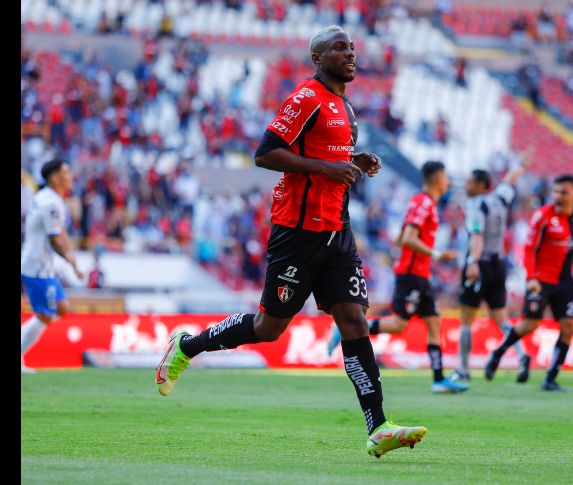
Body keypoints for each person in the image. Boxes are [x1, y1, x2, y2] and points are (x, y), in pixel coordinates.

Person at [154, 26, 427, 459]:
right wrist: (326, 168)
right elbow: (266, 152)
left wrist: (355, 160)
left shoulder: (346, 107)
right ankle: (187, 346)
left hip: (338, 231)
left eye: (352, 47)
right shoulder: (305, 97)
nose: (350, 53)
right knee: (270, 328)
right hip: (298, 233)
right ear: (318, 58)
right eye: (339, 48)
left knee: (354, 321)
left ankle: (378, 427)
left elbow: (329, 161)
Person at [328, 161, 468, 393]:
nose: (448, 182)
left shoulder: (424, 203)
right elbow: (408, 238)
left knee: (434, 322)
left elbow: (400, 236)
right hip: (411, 275)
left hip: (421, 275)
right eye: (446, 177)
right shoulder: (423, 202)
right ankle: (348, 327)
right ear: (437, 178)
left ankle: (439, 379)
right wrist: (437, 253)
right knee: (397, 325)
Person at [484, 175, 573, 391]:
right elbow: (529, 250)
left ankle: (550, 378)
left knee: (569, 326)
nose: (558, 196)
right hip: (541, 279)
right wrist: (532, 278)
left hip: (565, 282)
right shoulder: (543, 217)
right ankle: (498, 353)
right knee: (530, 324)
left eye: (563, 192)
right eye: (555, 192)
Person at [450, 157, 532, 384]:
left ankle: (463, 369)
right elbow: (511, 179)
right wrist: (523, 164)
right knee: (501, 318)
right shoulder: (500, 198)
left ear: (480, 186)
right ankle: (522, 353)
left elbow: (476, 236)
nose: (466, 186)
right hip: (499, 263)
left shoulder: (476, 205)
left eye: (469, 182)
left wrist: (473, 262)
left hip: (481, 263)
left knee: (466, 319)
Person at [21, 159, 83, 373]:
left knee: (62, 308)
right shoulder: (50, 203)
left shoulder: (52, 199)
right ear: (55, 177)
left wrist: (71, 258)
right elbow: (55, 238)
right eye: (66, 172)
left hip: (42, 265)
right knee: (46, 315)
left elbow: (60, 232)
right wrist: (68, 258)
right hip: (36, 267)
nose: (71, 176)